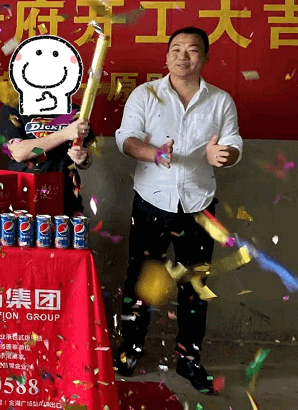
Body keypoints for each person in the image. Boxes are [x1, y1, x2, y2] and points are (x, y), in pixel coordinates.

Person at [113, 26, 242, 394]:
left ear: (205, 57)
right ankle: (130, 349)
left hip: (199, 205)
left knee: (195, 286)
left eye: (192, 50)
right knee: (140, 283)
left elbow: (232, 141)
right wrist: (154, 154)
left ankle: (189, 360)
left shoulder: (220, 101)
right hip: (151, 202)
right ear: (166, 56)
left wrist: (225, 154)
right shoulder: (145, 94)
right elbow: (126, 138)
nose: (183, 56)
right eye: (176, 49)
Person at [0, 102, 93, 216]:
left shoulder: (74, 110)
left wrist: (82, 158)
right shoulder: (12, 107)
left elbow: (87, 156)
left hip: (66, 200)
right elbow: (18, 152)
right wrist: (64, 134)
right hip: (24, 202)